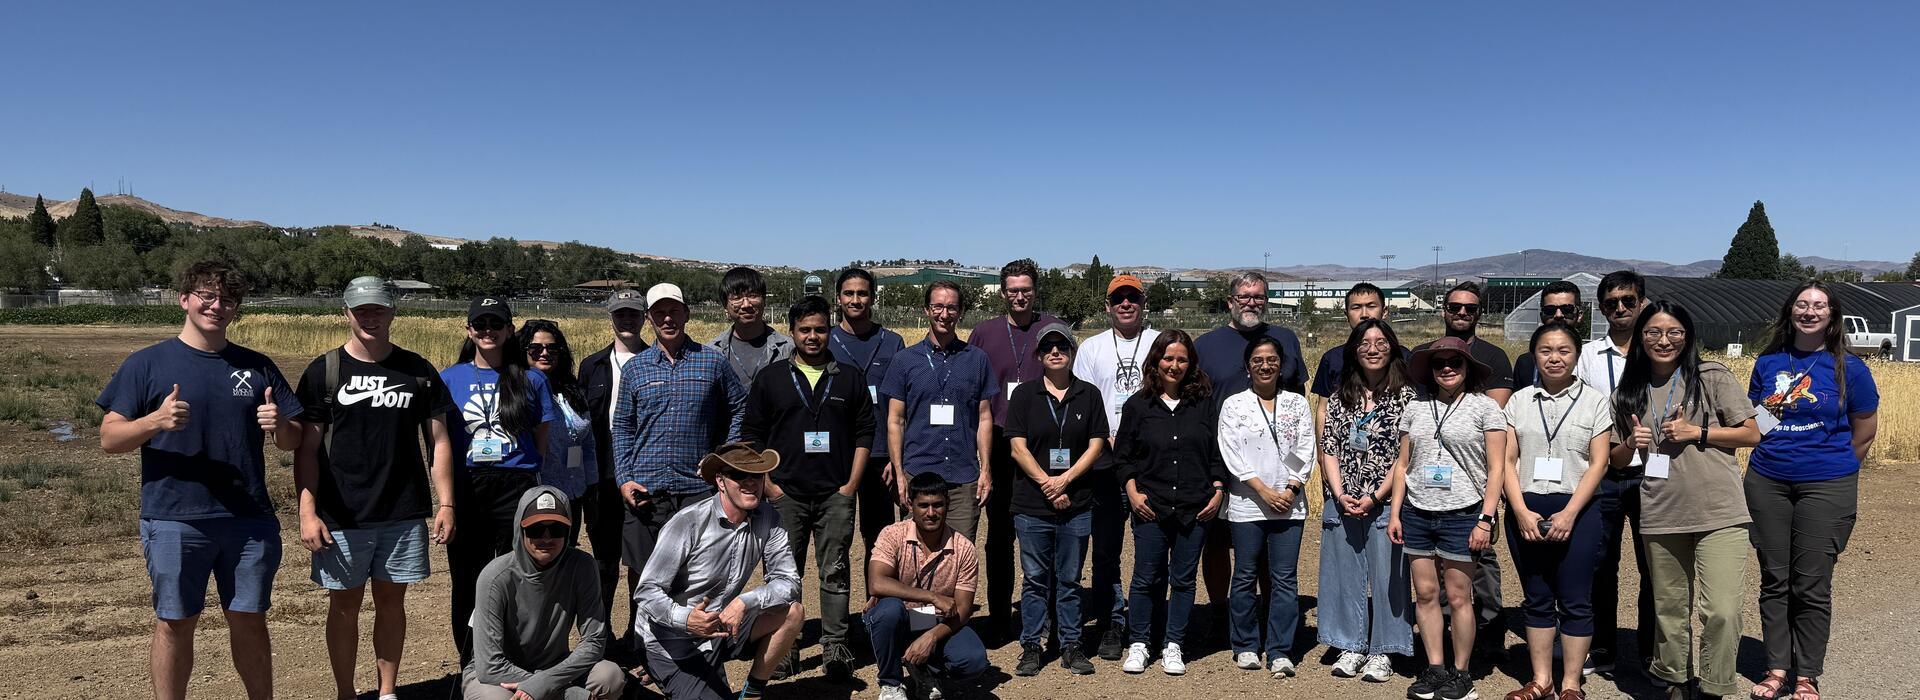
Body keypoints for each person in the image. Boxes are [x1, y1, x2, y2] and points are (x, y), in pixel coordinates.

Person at [98, 261, 302, 700]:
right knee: (175, 622)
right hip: (175, 517)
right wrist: (154, 420)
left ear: (236, 310)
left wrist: (280, 423)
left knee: (249, 618)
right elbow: (110, 437)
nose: (217, 306)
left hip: (248, 519)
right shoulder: (147, 364)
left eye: (227, 300)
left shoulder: (256, 366)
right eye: (207, 296)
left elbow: (292, 440)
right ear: (185, 299)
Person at [291, 276, 456, 700]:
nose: (370, 317)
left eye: (378, 309)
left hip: (401, 512)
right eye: (361, 309)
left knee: (391, 604)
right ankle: (346, 692)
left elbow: (438, 442)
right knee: (343, 608)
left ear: (392, 312)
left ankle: (386, 691)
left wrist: (446, 503)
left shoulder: (418, 371)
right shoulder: (323, 371)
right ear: (345, 312)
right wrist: (307, 512)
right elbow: (307, 451)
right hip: (341, 514)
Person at [1608, 301, 1760, 700]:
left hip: (1720, 511)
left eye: (1674, 331)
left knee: (1722, 611)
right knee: (1669, 611)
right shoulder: (1628, 392)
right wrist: (1629, 444)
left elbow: (1751, 434)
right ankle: (1675, 681)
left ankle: (1713, 686)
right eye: (1653, 332)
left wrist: (1698, 433)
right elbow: (1614, 458)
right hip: (1660, 511)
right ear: (1640, 339)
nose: (1664, 340)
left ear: (1687, 336)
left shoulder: (1711, 376)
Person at [1744, 282, 1878, 700]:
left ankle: (1807, 673)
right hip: (1768, 481)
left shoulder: (1848, 367)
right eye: (1802, 304)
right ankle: (1777, 667)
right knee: (1775, 578)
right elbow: (1756, 422)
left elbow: (1865, 429)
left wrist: (1836, 467)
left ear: (1832, 316)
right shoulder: (1768, 363)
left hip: (1827, 484)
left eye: (1819, 305)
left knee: (1812, 582)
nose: (1810, 311)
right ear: (1790, 312)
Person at [740, 295, 876, 680]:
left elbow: (866, 431)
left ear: (829, 330)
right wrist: (770, 487)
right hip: (787, 495)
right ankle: (787, 647)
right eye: (805, 330)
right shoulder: (771, 379)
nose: (813, 336)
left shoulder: (848, 377)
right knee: (784, 575)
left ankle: (835, 645)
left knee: (834, 570)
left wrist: (850, 485)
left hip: (836, 493)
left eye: (819, 329)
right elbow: (752, 436)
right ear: (793, 332)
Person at [613, 282, 748, 656]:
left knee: (692, 573)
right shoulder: (637, 369)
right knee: (643, 574)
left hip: (694, 488)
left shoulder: (713, 361)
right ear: (649, 319)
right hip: (647, 488)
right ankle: (643, 646)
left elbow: (738, 407)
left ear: (687, 314)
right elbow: (622, 426)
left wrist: (722, 456)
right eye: (659, 313)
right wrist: (624, 478)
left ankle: (688, 646)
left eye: (674, 311)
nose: (667, 319)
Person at [1498, 322, 1615, 700]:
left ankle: (1571, 684)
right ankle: (1541, 680)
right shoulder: (1519, 401)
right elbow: (1506, 460)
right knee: (1536, 596)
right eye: (1546, 350)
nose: (1554, 357)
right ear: (1534, 355)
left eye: (1563, 350)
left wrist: (1568, 514)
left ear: (1576, 356)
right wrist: (1518, 511)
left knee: (1576, 598)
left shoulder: (1595, 402)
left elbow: (1599, 464)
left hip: (1577, 511)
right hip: (1526, 509)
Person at [1388, 335, 1509, 700]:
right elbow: (1403, 465)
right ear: (1430, 369)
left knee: (1459, 597)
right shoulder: (1416, 407)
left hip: (1463, 513)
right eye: (1439, 363)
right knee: (1425, 595)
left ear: (1467, 367)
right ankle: (1435, 668)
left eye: (1455, 363)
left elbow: (1497, 468)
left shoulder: (1485, 408)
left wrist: (1485, 519)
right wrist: (1396, 513)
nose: (1447, 369)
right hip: (1418, 512)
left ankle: (1461, 672)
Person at [634, 443, 805, 700]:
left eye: (757, 475)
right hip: (670, 642)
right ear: (721, 481)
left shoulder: (769, 518)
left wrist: (744, 601)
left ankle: (752, 694)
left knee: (793, 612)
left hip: (719, 628)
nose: (750, 483)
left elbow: (789, 581)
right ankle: (626, 688)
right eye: (738, 475)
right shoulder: (688, 522)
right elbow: (646, 591)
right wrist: (686, 619)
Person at [444, 296, 559, 666]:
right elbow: (439, 441)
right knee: (468, 580)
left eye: (496, 324)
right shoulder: (449, 378)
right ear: (469, 330)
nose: (488, 331)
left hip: (517, 486)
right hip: (470, 485)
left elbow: (541, 437)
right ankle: (471, 663)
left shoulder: (531, 379)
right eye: (481, 324)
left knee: (521, 575)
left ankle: (521, 657)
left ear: (511, 330)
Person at [1192, 271, 1306, 631]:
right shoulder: (1207, 345)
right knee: (1217, 542)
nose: (1251, 303)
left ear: (1266, 301)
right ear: (1230, 301)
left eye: (1258, 297)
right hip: (1219, 462)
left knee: (1264, 542)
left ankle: (1271, 609)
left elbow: (1297, 404)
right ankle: (1218, 610)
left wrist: (1293, 472)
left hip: (1273, 464)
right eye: (1244, 297)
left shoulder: (1285, 339)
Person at [1114, 330, 1226, 677]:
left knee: (1183, 578)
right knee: (1146, 577)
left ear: (1190, 364)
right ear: (1156, 361)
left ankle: (1173, 643)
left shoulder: (1204, 405)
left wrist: (1218, 490)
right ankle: (1140, 642)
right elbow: (1123, 457)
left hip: (1196, 506)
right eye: (1168, 358)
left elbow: (1216, 456)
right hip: (1151, 505)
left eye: (1181, 359)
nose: (1174, 365)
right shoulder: (1138, 405)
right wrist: (1132, 493)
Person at [1415, 281, 1516, 658]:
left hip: (1473, 479)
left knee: (1482, 559)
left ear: (1479, 314)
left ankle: (1489, 634)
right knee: (1436, 564)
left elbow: (1491, 416)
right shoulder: (1426, 354)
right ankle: (1443, 636)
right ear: (1443, 309)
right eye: (1455, 307)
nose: (1461, 314)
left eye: (1469, 309)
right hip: (1430, 479)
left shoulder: (1494, 357)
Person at [969, 258, 1065, 642]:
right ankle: (997, 615)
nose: (1019, 296)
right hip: (1000, 440)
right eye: (1012, 290)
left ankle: (1053, 616)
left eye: (1026, 289)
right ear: (1003, 292)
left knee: (1047, 531)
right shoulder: (984, 333)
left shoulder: (1052, 327)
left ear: (1035, 291)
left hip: (1043, 444)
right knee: (999, 535)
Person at [1317, 319, 1416, 683]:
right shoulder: (1343, 391)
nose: (1372, 349)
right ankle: (1351, 643)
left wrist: (1376, 497)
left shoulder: (1408, 396)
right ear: (1354, 350)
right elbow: (1329, 447)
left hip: (1385, 500)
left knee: (1389, 575)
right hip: (1343, 498)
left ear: (1392, 347)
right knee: (1344, 573)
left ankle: (1383, 650)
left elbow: (1404, 457)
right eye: (1364, 343)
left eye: (1380, 342)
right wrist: (1340, 492)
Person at [1005, 322, 1106, 677]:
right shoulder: (1024, 395)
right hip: (1032, 505)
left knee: (1070, 579)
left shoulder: (1088, 395)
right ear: (1038, 355)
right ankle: (1032, 644)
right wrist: (1048, 483)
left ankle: (1070, 644)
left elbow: (1097, 444)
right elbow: (1017, 447)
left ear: (1071, 351)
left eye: (1061, 346)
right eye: (1047, 347)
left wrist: (1065, 480)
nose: (1055, 352)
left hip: (1076, 504)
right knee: (1034, 579)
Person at [1069, 274, 1159, 660]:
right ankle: (1110, 622)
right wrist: (1107, 437)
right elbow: (1086, 400)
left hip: (1150, 463)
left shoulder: (1158, 343)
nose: (1126, 304)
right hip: (1104, 464)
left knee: (1150, 548)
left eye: (1133, 298)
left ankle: (1147, 624)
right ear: (1107, 306)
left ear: (1142, 304)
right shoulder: (1091, 348)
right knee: (1106, 550)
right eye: (1118, 298)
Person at [465, 486, 627, 700]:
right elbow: (489, 666)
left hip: (553, 666)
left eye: (557, 529)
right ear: (520, 530)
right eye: (536, 529)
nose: (546, 538)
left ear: (568, 531)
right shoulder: (495, 576)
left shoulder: (582, 566)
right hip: (497, 676)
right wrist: (569, 693)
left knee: (610, 677)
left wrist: (544, 683)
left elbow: (593, 641)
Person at [1217, 336, 1314, 678]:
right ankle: (1245, 645)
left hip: (1289, 504)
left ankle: (1280, 650)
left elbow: (1305, 448)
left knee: (1284, 578)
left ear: (1281, 364)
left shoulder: (1296, 404)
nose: (1265, 365)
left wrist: (1289, 488)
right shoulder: (1234, 405)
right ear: (1248, 367)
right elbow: (1232, 453)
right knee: (1244, 575)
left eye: (1271, 359)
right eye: (1257, 359)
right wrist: (1263, 490)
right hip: (1247, 504)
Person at [1575, 270, 1652, 675]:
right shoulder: (1588, 356)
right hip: (1603, 472)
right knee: (1599, 564)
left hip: (1655, 474)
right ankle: (1602, 647)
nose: (1620, 308)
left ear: (1641, 302)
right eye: (1611, 303)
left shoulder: (1657, 347)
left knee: (1653, 565)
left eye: (1628, 300)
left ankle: (1651, 650)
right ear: (1601, 307)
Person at [881, 281, 997, 539]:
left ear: (961, 311)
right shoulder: (905, 361)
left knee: (960, 557)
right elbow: (896, 420)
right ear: (926, 310)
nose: (944, 314)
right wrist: (899, 473)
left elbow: (985, 418)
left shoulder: (977, 360)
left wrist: (986, 470)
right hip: (918, 477)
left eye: (952, 308)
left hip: (963, 480)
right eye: (938, 307)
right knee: (917, 558)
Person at [866, 473, 990, 700]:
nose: (931, 513)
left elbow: (962, 610)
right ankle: (891, 683)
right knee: (889, 611)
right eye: (923, 505)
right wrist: (932, 596)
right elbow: (876, 583)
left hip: (933, 619)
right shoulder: (892, 534)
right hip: (897, 617)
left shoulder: (964, 548)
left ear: (947, 505)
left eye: (937, 505)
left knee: (973, 660)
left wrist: (931, 637)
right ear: (910, 505)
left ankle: (924, 671)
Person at [577, 289, 650, 628]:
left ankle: (640, 633)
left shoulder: (656, 361)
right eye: (620, 313)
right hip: (602, 478)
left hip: (644, 474)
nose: (627, 320)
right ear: (610, 317)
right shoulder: (591, 366)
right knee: (604, 562)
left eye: (634, 313)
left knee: (642, 562)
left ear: (644, 317)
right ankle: (601, 634)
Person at [827, 267, 908, 564]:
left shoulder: (892, 342)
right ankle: (839, 610)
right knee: (836, 536)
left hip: (879, 456)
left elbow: (902, 406)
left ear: (872, 297)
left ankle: (877, 603)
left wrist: (894, 458)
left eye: (862, 293)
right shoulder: (827, 341)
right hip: (838, 455)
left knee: (879, 536)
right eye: (849, 293)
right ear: (838, 298)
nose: (856, 300)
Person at [519, 320, 595, 538]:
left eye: (552, 348)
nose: (545, 353)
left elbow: (588, 444)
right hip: (538, 495)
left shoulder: (573, 391)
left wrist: (592, 485)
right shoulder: (519, 392)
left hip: (574, 491)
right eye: (536, 348)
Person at [712, 266, 795, 387]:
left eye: (752, 295)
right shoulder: (713, 352)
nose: (746, 304)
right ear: (725, 306)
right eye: (737, 298)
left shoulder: (788, 348)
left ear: (764, 300)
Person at [1511, 280, 1586, 389]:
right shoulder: (1526, 363)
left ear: (1579, 315)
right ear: (1542, 315)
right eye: (1550, 310)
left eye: (1567, 309)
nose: (1558, 315)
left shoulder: (1592, 359)